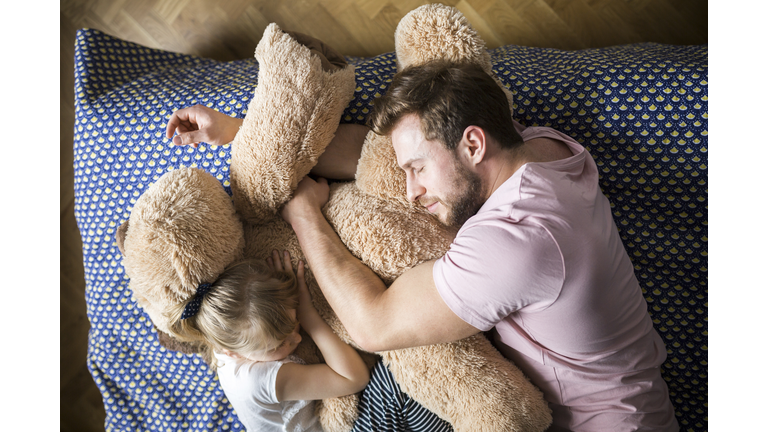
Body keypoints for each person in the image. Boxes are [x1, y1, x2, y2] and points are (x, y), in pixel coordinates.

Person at [279, 61, 680, 431]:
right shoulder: (544, 148)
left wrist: (303, 216)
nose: (411, 190)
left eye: (417, 168)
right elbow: (373, 158)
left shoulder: (515, 240)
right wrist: (259, 143)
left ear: (474, 144)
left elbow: (374, 325)